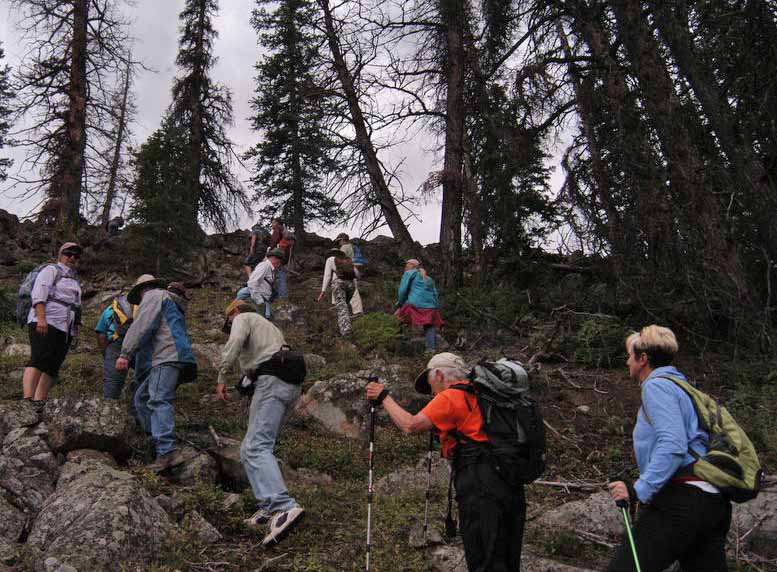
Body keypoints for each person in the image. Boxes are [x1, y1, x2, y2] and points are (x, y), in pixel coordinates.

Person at [365, 353, 526, 572]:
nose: (431, 391)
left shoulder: (451, 396)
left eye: (430, 383)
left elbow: (410, 425)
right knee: (507, 559)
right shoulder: (482, 394)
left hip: (480, 487)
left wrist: (383, 396)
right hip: (510, 481)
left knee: (484, 559)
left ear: (439, 374)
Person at [607, 325, 731, 572]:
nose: (627, 361)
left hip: (683, 501)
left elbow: (674, 445)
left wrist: (638, 490)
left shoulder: (656, 387)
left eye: (630, 355)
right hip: (713, 501)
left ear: (643, 359)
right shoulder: (682, 387)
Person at [216, 299, 305, 547]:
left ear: (233, 312)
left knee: (256, 446)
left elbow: (234, 344)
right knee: (249, 448)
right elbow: (265, 356)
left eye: (228, 321)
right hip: (290, 384)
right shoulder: (270, 327)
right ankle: (267, 507)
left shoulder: (243, 318)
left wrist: (222, 375)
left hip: (272, 381)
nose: (230, 325)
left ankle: (283, 507)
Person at [116, 276, 196, 471]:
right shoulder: (169, 300)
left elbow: (142, 326)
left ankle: (166, 450)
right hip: (176, 356)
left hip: (167, 355)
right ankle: (157, 442)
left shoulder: (153, 296)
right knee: (141, 398)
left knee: (158, 400)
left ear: (142, 291)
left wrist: (125, 353)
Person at [22, 242, 83, 402]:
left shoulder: (75, 280)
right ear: (60, 254)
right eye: (68, 254)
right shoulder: (51, 270)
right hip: (46, 320)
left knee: (53, 365)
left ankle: (39, 400)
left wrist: (75, 329)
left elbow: (76, 306)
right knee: (39, 358)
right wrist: (41, 319)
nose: (72, 257)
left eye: (76, 255)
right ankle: (27, 399)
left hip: (65, 327)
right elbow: (39, 294)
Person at [94, 293, 137, 406]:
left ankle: (109, 412)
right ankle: (138, 416)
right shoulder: (143, 306)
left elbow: (101, 335)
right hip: (138, 343)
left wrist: (107, 355)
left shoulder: (110, 309)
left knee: (112, 385)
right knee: (143, 378)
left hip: (116, 344)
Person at [395, 258, 443, 351]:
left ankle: (398, 344)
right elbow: (435, 294)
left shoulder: (408, 274)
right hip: (431, 307)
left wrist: (400, 304)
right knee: (429, 325)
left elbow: (402, 291)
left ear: (412, 266)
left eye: (407, 264)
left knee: (398, 318)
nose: (405, 267)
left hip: (414, 305)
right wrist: (435, 307)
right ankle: (430, 350)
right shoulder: (428, 278)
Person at [317, 248, 356, 336]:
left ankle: (346, 331)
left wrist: (323, 291)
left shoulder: (330, 259)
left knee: (341, 306)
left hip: (339, 284)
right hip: (351, 284)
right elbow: (356, 273)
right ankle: (351, 324)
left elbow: (327, 275)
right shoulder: (346, 260)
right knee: (345, 304)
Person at [237, 248, 285, 320]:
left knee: (268, 319)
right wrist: (259, 301)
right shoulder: (265, 266)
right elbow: (252, 283)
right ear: (274, 258)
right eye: (279, 261)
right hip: (257, 298)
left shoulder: (270, 268)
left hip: (262, 299)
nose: (279, 264)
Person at [335, 233, 364, 316]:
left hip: (349, 269)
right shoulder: (353, 246)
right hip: (356, 268)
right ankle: (356, 310)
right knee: (353, 288)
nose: (339, 243)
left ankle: (357, 311)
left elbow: (341, 259)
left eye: (339, 241)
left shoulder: (344, 247)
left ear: (342, 239)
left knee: (352, 289)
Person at [268, 218, 293, 298]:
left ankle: (282, 296)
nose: (272, 224)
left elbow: (273, 243)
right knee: (281, 276)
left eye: (273, 223)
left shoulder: (277, 230)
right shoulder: (284, 232)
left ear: (277, 224)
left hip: (278, 256)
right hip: (284, 257)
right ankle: (282, 296)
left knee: (279, 276)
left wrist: (269, 253)